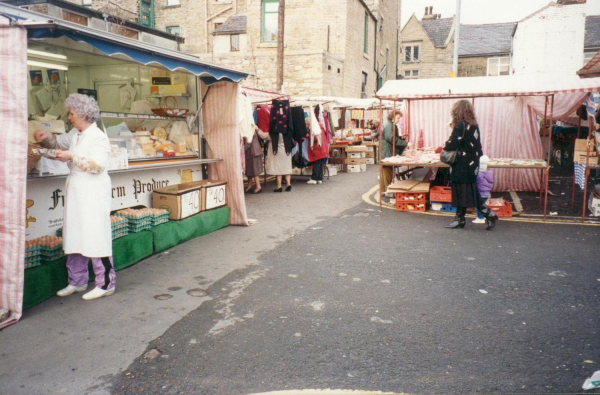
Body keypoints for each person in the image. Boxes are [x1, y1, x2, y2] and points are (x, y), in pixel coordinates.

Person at [34, 93, 116, 300]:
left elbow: (97, 166)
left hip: (93, 189)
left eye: (71, 113)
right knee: (75, 232)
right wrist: (46, 139)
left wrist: (73, 157)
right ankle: (77, 280)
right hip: (76, 188)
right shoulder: (75, 133)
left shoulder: (99, 137)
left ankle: (105, 283)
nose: (69, 117)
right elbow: (58, 143)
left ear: (82, 114)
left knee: (95, 233)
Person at [443, 100, 498, 230]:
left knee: (463, 192)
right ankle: (461, 219)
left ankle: (486, 215)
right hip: (472, 165)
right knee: (469, 191)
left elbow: (451, 144)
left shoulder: (459, 126)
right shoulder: (474, 125)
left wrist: (448, 138)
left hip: (461, 165)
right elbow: (477, 146)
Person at [380, 110, 408, 194]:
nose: (399, 120)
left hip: (388, 151)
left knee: (389, 171)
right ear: (393, 117)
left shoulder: (392, 125)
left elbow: (393, 137)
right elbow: (392, 139)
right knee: (387, 172)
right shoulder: (389, 126)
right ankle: (386, 190)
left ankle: (387, 189)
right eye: (398, 118)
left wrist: (401, 138)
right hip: (387, 152)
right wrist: (405, 143)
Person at [244, 127, 265, 194]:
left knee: (254, 170)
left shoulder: (248, 130)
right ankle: (249, 186)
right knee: (249, 170)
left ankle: (258, 186)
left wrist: (240, 150)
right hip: (253, 152)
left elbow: (248, 143)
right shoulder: (251, 128)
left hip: (253, 152)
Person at [473, 155, 493, 224]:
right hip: (486, 193)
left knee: (477, 206)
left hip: (480, 193)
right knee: (482, 205)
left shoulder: (479, 174)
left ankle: (480, 218)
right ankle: (484, 216)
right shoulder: (488, 174)